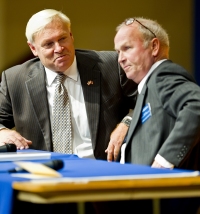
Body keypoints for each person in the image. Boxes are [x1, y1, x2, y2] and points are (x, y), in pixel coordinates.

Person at [0, 9, 137, 162]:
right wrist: (2, 131)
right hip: (45, 174)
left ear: (71, 36)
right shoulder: (15, 79)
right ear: (33, 49)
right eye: (48, 44)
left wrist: (127, 124)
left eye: (62, 38)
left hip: (102, 168)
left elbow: (149, 101)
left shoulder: (110, 65)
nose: (59, 48)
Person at [114, 17, 200, 213]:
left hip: (163, 201)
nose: (120, 58)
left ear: (154, 47)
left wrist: (164, 161)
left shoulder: (163, 76)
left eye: (127, 48)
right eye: (118, 52)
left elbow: (196, 106)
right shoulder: (149, 85)